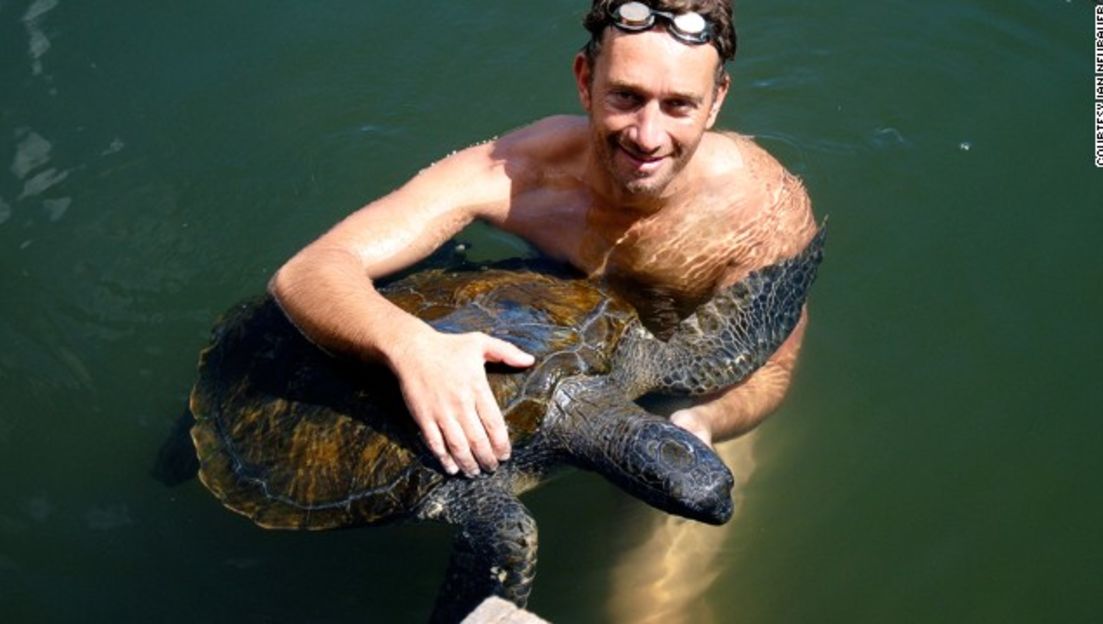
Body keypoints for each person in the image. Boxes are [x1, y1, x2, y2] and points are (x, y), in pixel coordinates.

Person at [269, 0, 817, 479]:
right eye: (625, 97)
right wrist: (411, 346)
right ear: (584, 80)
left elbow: (769, 370)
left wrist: (697, 422)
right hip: (542, 357)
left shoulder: (763, 210)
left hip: (683, 399)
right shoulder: (513, 175)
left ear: (716, 101)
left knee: (654, 585)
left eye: (678, 105)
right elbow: (307, 272)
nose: (648, 136)